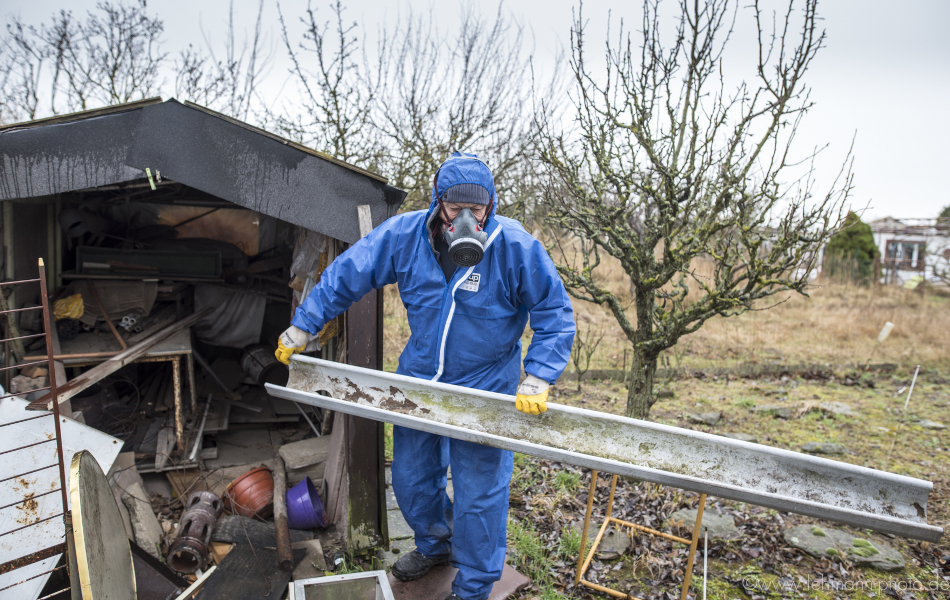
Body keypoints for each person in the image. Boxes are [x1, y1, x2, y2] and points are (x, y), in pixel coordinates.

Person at [275, 151, 575, 600]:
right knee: (412, 478)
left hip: (486, 385)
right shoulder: (406, 235)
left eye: (480, 208)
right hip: (419, 381)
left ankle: (473, 585)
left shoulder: (514, 246)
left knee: (479, 493)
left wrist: (538, 374)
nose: (469, 218)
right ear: (439, 203)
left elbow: (554, 311)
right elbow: (348, 272)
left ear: (492, 204)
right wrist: (304, 324)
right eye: (457, 208)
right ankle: (436, 545)